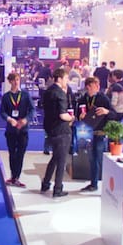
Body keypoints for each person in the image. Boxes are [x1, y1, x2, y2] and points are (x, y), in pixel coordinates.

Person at [76, 77, 116, 192]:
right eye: (91, 86)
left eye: (96, 86)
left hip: (100, 133)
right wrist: (80, 116)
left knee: (98, 158)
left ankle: (105, 183)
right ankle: (93, 184)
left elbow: (114, 114)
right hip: (87, 133)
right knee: (92, 159)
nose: (96, 88)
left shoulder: (103, 99)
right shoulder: (82, 100)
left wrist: (106, 111)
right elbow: (77, 114)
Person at [41, 68, 74, 197]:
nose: (67, 81)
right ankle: (58, 188)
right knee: (61, 161)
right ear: (59, 78)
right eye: (66, 78)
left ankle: (46, 183)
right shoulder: (60, 94)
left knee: (55, 158)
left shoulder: (48, 91)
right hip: (61, 130)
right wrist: (71, 118)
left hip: (50, 129)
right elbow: (62, 115)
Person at [0, 72, 35, 187]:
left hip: (23, 129)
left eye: (18, 80)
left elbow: (32, 110)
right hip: (11, 129)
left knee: (20, 154)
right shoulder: (6, 96)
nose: (16, 82)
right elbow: (2, 112)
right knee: (12, 153)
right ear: (10, 81)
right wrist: (10, 119)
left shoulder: (25, 95)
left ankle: (17, 177)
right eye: (14, 80)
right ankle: (13, 176)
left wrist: (26, 120)